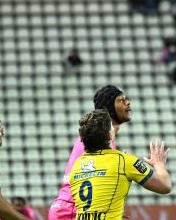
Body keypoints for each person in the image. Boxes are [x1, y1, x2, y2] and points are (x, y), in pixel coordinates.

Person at [49, 85, 131, 220]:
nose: (127, 103)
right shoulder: (98, 139)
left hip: (74, 207)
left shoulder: (98, 137)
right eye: (120, 100)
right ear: (106, 108)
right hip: (72, 209)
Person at [69, 110, 171, 219]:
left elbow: (96, 200)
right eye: (112, 128)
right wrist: (159, 164)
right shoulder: (124, 161)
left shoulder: (77, 165)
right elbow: (165, 186)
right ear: (110, 136)